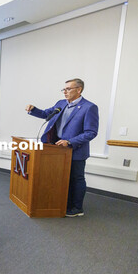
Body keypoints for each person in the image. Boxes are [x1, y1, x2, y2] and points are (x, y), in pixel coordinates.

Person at [26, 78, 99, 217]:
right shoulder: (61, 104)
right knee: (59, 178)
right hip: (56, 149)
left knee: (76, 178)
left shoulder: (89, 107)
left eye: (68, 89)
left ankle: (77, 208)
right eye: (64, 89)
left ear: (79, 90)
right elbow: (47, 114)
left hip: (75, 150)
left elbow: (91, 132)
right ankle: (63, 203)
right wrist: (33, 109)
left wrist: (70, 141)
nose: (65, 92)